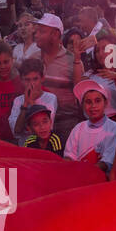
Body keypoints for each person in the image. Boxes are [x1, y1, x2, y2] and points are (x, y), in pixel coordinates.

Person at [34, 13, 82, 143]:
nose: (36, 35)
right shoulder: (33, 59)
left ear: (55, 34)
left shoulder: (72, 61)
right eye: (36, 31)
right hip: (38, 126)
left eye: (41, 31)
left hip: (65, 126)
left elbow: (80, 98)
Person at [64, 80, 116, 176]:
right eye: (88, 102)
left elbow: (107, 162)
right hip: (78, 178)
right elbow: (69, 157)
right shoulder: (78, 128)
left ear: (106, 103)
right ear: (82, 105)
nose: (93, 106)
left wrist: (85, 173)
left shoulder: (114, 129)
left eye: (97, 101)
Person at [9, 59, 58, 144]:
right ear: (21, 80)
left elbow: (45, 129)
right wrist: (25, 104)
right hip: (24, 147)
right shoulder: (18, 100)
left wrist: (31, 102)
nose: (31, 83)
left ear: (42, 78)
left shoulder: (51, 98)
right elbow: (17, 130)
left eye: (35, 79)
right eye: (27, 80)